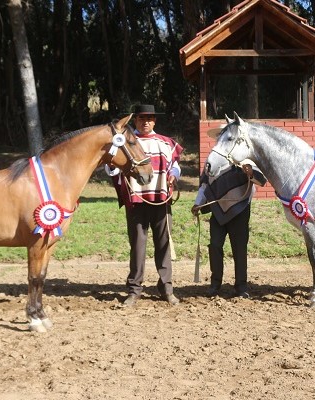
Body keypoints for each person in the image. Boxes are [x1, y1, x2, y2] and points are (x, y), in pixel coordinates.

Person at [105, 104, 184, 307]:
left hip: (161, 200)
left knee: (163, 245)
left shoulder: (166, 143)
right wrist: (113, 166)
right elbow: (111, 170)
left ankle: (166, 288)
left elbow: (175, 167)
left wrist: (173, 177)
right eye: (141, 118)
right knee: (137, 247)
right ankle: (134, 290)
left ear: (154, 121)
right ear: (135, 121)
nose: (146, 122)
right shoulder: (127, 143)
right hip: (136, 201)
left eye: (149, 118)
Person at [192, 159, 266, 298]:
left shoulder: (246, 158)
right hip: (218, 210)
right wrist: (198, 203)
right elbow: (204, 184)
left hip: (240, 211)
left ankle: (241, 286)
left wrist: (250, 172)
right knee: (215, 245)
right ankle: (215, 284)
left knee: (239, 249)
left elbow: (261, 180)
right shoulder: (213, 159)